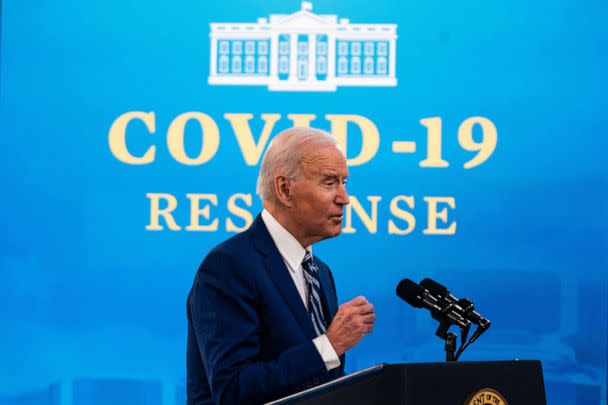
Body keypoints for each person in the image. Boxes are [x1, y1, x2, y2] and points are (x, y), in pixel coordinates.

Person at [186, 127, 376, 404]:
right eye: (329, 182)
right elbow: (232, 390)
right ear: (285, 189)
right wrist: (330, 345)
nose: (344, 197)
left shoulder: (320, 272)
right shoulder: (228, 266)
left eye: (344, 182)